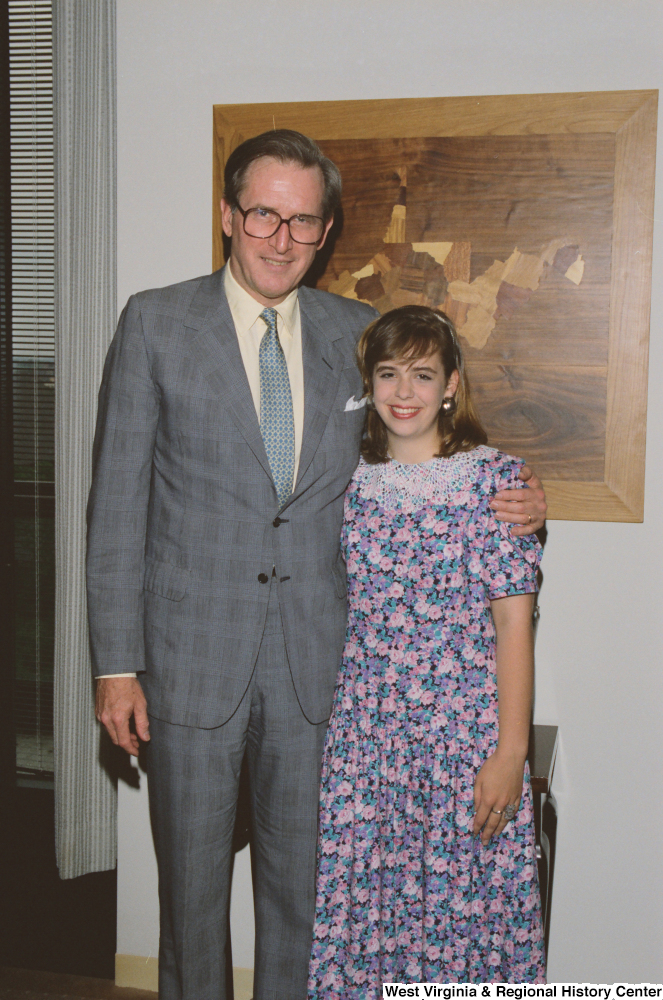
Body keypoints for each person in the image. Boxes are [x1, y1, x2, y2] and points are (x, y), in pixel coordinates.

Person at [88, 131, 547, 1000]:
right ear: (229, 215)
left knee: (310, 902)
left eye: (303, 220)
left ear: (326, 230)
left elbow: (426, 440)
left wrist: (522, 498)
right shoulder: (155, 321)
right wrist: (116, 664)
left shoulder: (352, 334)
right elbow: (115, 505)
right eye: (263, 212)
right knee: (189, 898)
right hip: (188, 666)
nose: (280, 237)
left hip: (323, 673)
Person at [308, 305, 545, 995]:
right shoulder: (346, 482)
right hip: (366, 739)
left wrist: (509, 753)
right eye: (387, 374)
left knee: (459, 921)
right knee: (367, 921)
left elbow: (513, 626)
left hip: (459, 740)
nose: (402, 393)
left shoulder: (495, 482)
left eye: (420, 374)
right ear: (368, 383)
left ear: (450, 385)